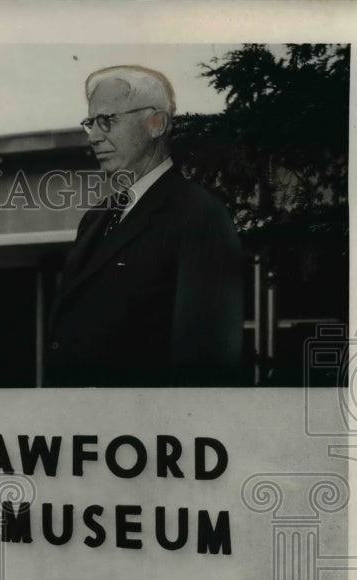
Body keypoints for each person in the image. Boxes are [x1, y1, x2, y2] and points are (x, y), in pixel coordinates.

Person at [44, 65, 244, 387]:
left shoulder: (199, 215)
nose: (94, 136)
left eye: (107, 120)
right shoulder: (95, 220)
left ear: (156, 124)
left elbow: (205, 365)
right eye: (90, 123)